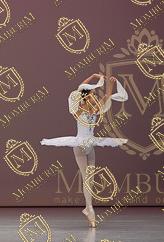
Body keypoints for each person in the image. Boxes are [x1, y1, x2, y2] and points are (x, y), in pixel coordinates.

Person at [41, 73, 128, 227]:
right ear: (86, 97)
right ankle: (90, 209)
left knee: (91, 179)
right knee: (85, 178)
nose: (96, 96)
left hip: (91, 144)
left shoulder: (95, 109)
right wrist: (93, 76)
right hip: (80, 145)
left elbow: (107, 95)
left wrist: (112, 83)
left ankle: (88, 208)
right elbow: (79, 88)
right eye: (93, 94)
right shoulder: (79, 109)